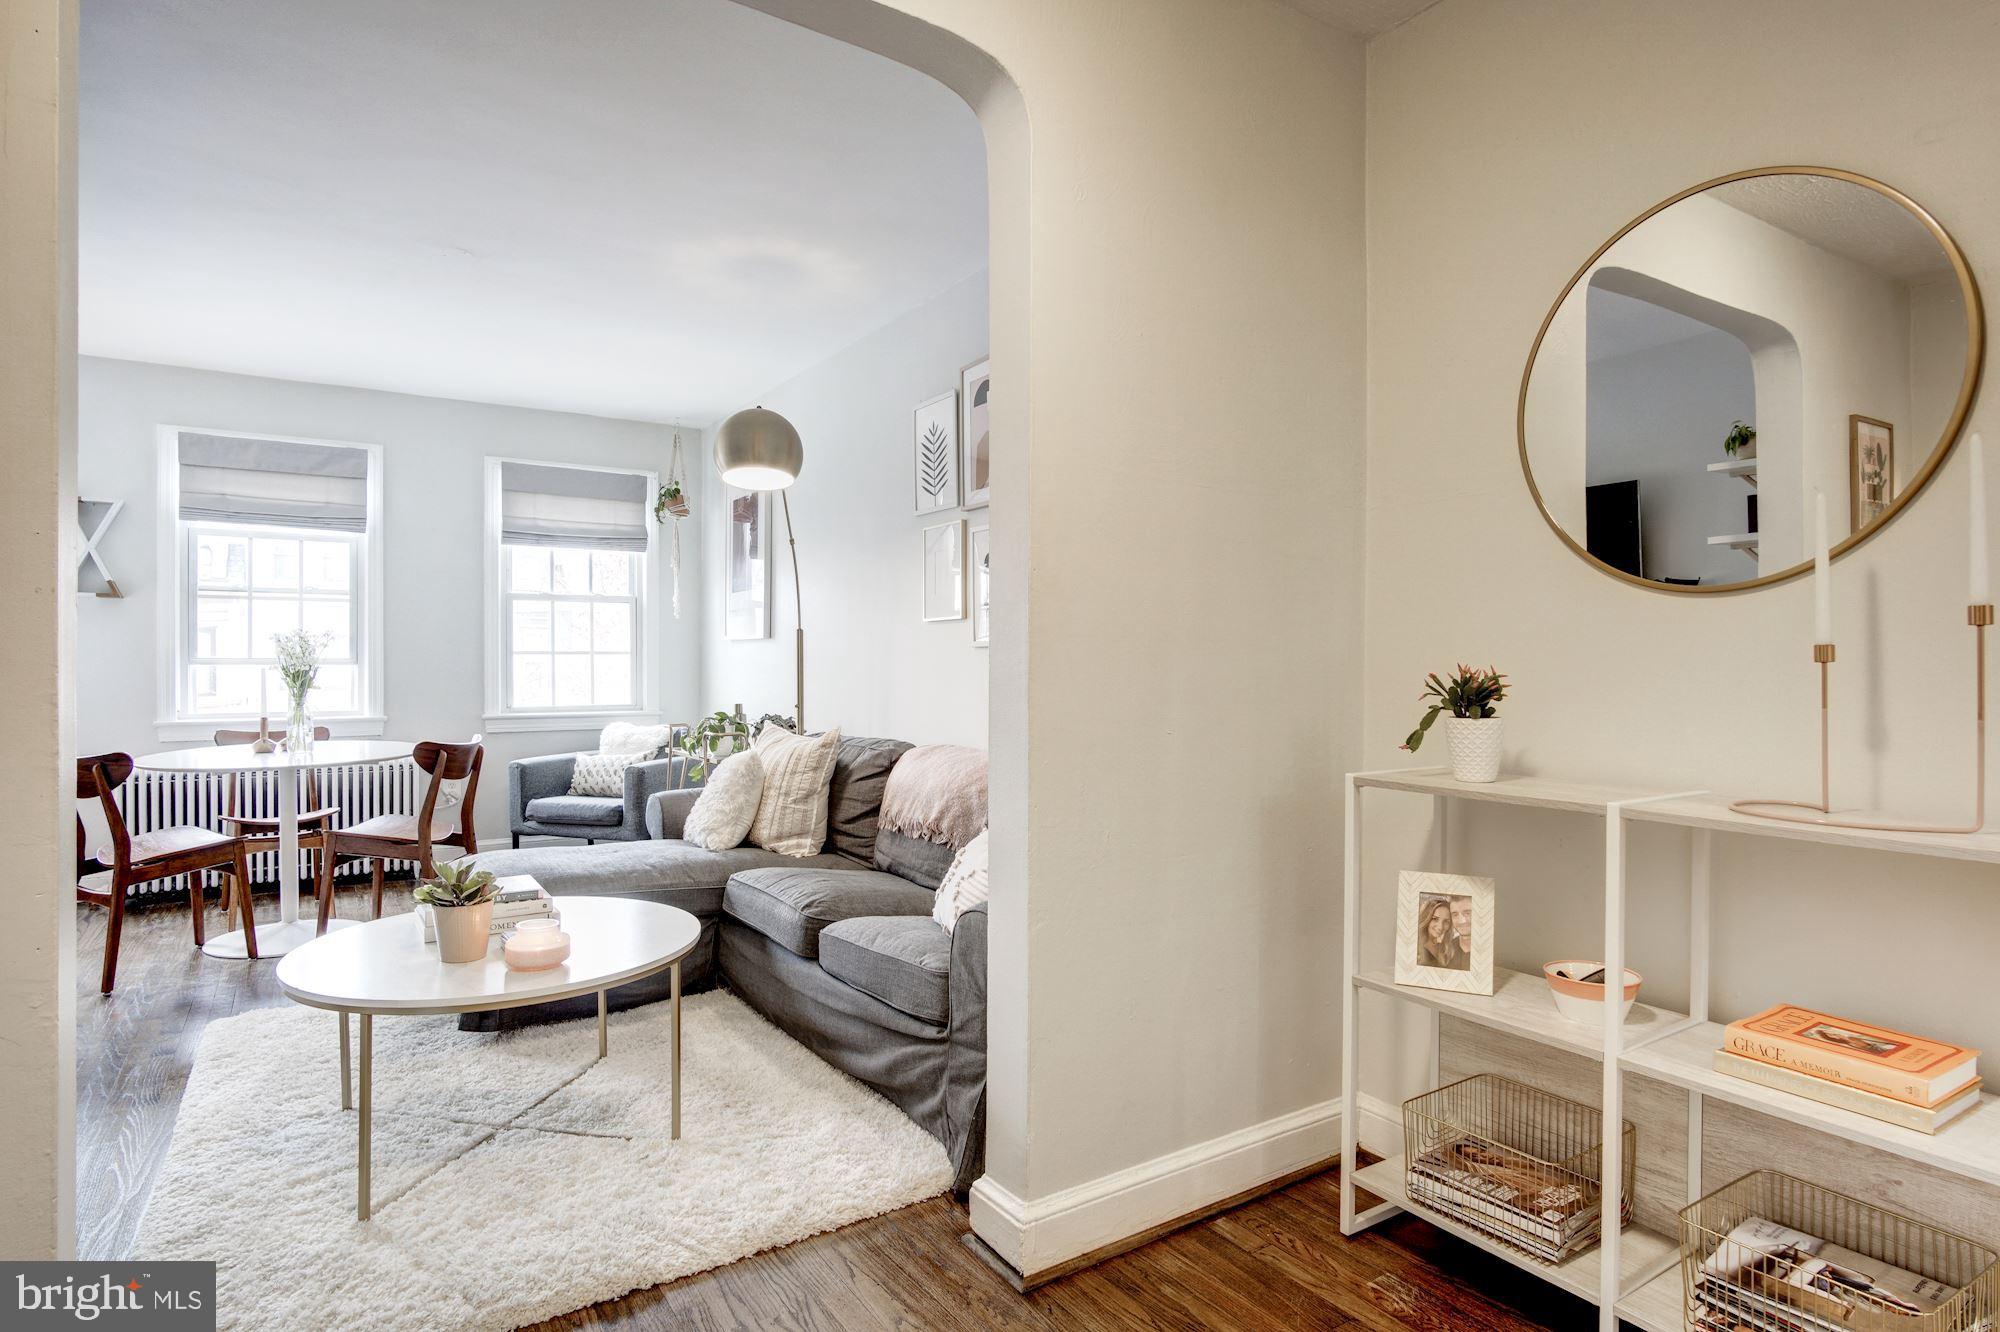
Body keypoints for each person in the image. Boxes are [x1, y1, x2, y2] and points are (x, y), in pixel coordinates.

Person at [1418, 897, 1468, 970]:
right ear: (1426, 918)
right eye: (1435, 919)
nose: (1440, 927)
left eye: (1446, 921)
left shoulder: (1446, 947)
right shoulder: (1417, 949)